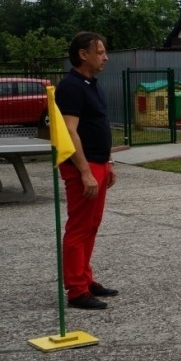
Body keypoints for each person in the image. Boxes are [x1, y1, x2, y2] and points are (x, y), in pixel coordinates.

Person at [55, 31, 118, 309]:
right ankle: (77, 291)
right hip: (84, 166)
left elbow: (99, 125)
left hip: (99, 163)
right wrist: (84, 171)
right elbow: (69, 131)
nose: (106, 57)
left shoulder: (91, 84)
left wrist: (109, 162)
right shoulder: (70, 86)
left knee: (92, 226)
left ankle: (85, 278)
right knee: (79, 228)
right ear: (84, 54)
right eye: (100, 52)